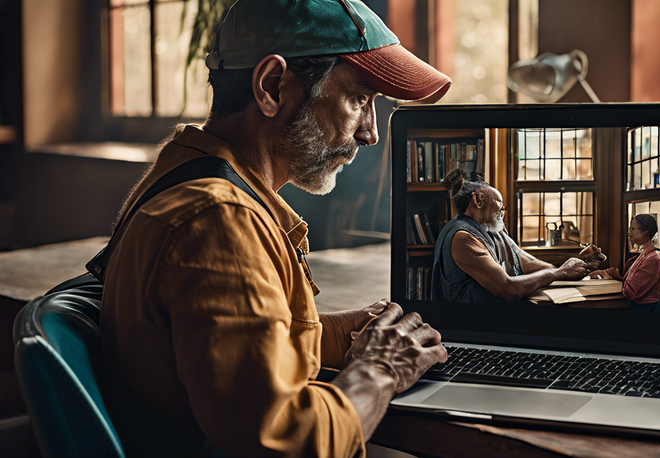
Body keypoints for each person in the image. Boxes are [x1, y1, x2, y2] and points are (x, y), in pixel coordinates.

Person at [98, 1, 452, 456]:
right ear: (272, 87)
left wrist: (350, 335)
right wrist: (380, 369)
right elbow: (285, 441)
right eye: (359, 99)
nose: (371, 133)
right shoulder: (218, 222)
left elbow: (229, 346)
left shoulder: (187, 173)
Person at [431, 170, 588, 303]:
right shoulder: (463, 237)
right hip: (472, 323)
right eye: (500, 204)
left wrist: (575, 270)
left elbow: (526, 261)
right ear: (478, 200)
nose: (503, 210)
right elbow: (508, 288)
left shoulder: (493, 230)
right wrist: (558, 273)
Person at [590, 214, 660, 306]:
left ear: (645, 232)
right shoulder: (644, 254)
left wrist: (614, 275)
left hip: (643, 309)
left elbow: (630, 292)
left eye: (633, 229)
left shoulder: (653, 259)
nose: (629, 233)